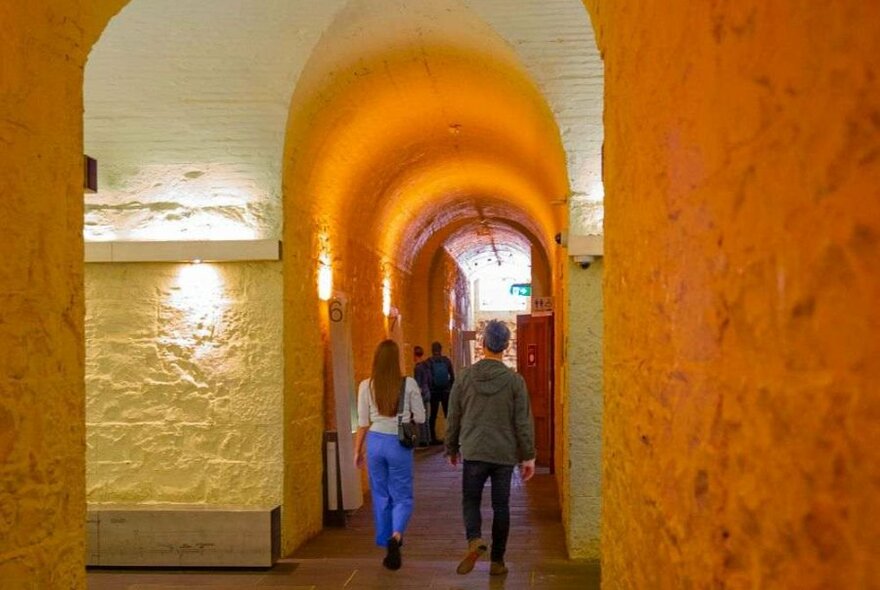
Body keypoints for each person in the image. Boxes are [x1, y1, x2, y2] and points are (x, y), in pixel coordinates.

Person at [445, 320, 535, 577]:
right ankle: (497, 561)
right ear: (506, 347)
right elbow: (522, 421)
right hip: (503, 454)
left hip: (473, 450)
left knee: (471, 500)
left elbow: (454, 416)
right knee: (501, 507)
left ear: (483, 344)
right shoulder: (514, 382)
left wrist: (451, 447)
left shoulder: (464, 378)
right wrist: (528, 456)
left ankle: (475, 539)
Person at [354, 340, 426, 570]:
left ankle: (385, 539)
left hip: (375, 443)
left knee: (381, 494)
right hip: (399, 444)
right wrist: (405, 417)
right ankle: (396, 536)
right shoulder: (409, 384)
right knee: (402, 495)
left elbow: (363, 422)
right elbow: (422, 418)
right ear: (396, 361)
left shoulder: (366, 385)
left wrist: (357, 451)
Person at [426, 341, 455, 445]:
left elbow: (428, 378)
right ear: (441, 349)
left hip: (434, 392)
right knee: (448, 415)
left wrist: (429, 389)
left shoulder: (429, 362)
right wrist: (450, 388)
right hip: (445, 392)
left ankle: (433, 438)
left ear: (432, 350)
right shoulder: (446, 360)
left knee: (433, 415)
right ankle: (450, 437)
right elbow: (452, 376)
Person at [413, 345, 432, 447]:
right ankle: (428, 438)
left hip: (421, 394)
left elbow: (417, 384)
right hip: (428, 392)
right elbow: (429, 380)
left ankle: (423, 440)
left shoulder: (418, 368)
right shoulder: (426, 365)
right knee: (426, 418)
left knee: (421, 417)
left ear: (415, 355)